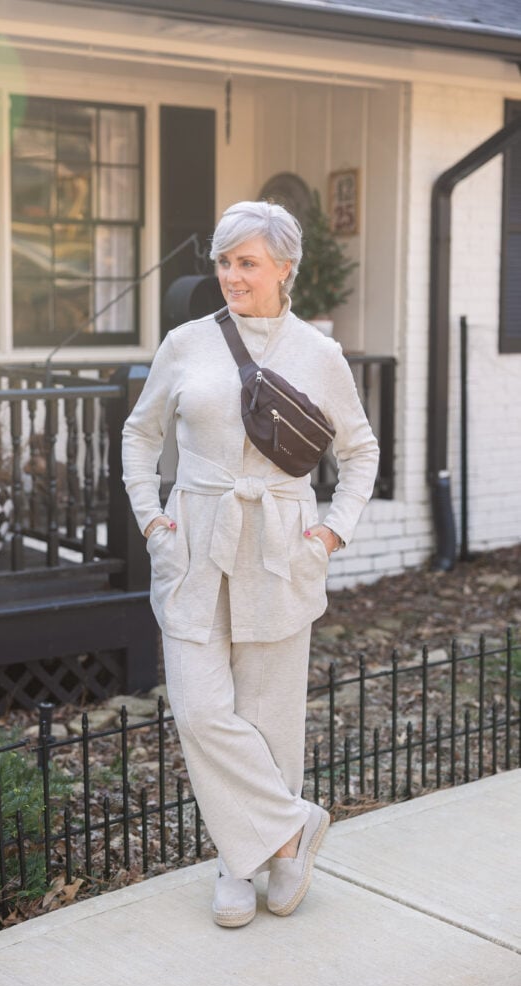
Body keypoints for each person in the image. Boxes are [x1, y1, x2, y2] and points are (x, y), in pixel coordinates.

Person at [122, 200, 379, 927]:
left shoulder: (318, 354)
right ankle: (290, 829)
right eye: (224, 261)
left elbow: (359, 451)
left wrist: (329, 534)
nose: (231, 275)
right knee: (201, 709)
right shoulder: (185, 343)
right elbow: (140, 436)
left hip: (279, 546)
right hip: (193, 542)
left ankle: (247, 862)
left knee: (270, 719)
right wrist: (152, 519)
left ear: (284, 267)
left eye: (247, 262)